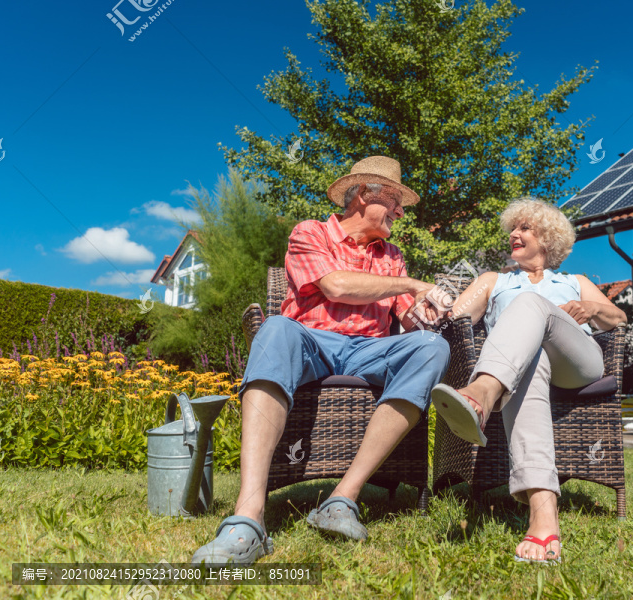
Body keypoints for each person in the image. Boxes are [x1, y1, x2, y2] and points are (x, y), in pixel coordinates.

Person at [192, 156, 451, 566]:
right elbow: (336, 286)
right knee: (275, 327)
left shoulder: (392, 254)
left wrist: (430, 309)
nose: (401, 212)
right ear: (364, 194)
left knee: (431, 347)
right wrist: (414, 283)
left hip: (370, 350)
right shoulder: (310, 232)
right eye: (395, 201)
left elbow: (407, 317)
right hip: (311, 342)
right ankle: (248, 516)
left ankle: (342, 498)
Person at [430, 197, 627, 565]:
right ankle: (543, 513)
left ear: (548, 238)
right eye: (513, 229)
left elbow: (617, 318)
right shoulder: (492, 281)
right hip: (521, 370)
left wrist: (592, 309)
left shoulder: (575, 281)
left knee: (529, 304)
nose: (514, 235)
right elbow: (454, 318)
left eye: (525, 228)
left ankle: (483, 393)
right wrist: (437, 305)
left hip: (577, 365)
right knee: (530, 361)